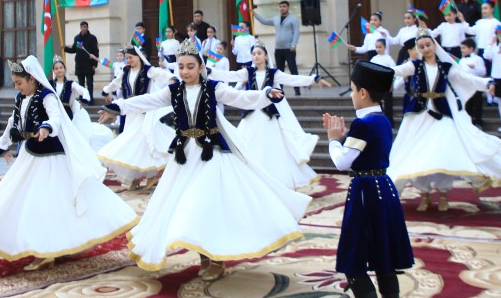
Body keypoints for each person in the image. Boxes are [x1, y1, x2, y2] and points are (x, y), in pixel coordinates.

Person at [98, 39, 310, 280]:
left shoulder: (213, 88)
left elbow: (240, 97)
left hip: (211, 153)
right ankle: (204, 256)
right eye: (181, 67)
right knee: (190, 208)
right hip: (185, 157)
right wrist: (117, 106)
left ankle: (216, 258)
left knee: (207, 204)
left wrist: (265, 94)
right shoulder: (173, 90)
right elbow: (146, 100)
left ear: (200, 67)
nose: (185, 72)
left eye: (190, 66)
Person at [0, 57, 137, 269]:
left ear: (32, 79)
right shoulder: (21, 98)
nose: (17, 87)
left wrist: (46, 127)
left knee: (48, 203)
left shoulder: (47, 96)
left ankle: (47, 251)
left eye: (19, 83)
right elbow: (13, 121)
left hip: (52, 157)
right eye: (15, 83)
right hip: (30, 155)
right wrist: (3, 144)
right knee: (14, 195)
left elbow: (55, 117)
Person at [322, 60, 415, 298]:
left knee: (353, 261)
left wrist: (333, 140)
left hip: (365, 192)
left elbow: (342, 162)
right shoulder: (381, 119)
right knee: (384, 260)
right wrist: (346, 137)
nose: (351, 94)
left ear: (363, 92)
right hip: (383, 188)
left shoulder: (363, 124)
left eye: (352, 89)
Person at [388, 31, 501, 211]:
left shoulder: (446, 67)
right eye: (421, 47)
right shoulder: (415, 66)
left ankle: (443, 194)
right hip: (419, 115)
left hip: (442, 115)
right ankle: (424, 194)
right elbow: (396, 70)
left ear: (434, 45)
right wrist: (373, 71)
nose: (426, 49)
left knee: (443, 154)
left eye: (428, 45)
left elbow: (466, 79)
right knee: (418, 154)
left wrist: (486, 83)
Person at [212, 43, 329, 189]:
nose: (256, 56)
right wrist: (210, 71)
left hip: (268, 116)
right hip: (251, 115)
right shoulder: (248, 72)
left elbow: (292, 79)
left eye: (259, 53)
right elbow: (230, 75)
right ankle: (251, 180)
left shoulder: (274, 73)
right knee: (246, 146)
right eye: (253, 54)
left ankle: (276, 180)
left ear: (266, 56)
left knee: (272, 149)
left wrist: (313, 79)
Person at [98, 47, 173, 188]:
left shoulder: (148, 70)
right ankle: (135, 177)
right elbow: (116, 82)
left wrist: (173, 80)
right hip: (130, 111)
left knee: (142, 143)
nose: (128, 60)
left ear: (138, 57)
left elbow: (164, 75)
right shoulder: (126, 71)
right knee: (132, 145)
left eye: (130, 57)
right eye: (127, 58)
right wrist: (105, 90)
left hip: (145, 112)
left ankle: (150, 175)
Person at [50, 58, 112, 152]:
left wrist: (83, 101)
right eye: (56, 68)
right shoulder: (50, 84)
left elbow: (84, 91)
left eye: (61, 68)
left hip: (67, 113)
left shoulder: (70, 84)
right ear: (54, 71)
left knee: (66, 134)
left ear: (65, 69)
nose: (59, 70)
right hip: (54, 111)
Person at [254, 0, 303, 95]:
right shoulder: (275, 19)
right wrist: (255, 15)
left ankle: (297, 90)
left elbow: (296, 32)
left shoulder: (293, 19)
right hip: (278, 49)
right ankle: (279, 90)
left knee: (293, 69)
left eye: (284, 6)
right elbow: (264, 21)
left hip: (289, 48)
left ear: (288, 7)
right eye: (280, 6)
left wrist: (293, 44)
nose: (282, 8)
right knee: (279, 71)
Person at [63, 21, 100, 94]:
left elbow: (95, 51)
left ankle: (90, 98)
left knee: (89, 83)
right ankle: (82, 97)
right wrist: (65, 48)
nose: (83, 28)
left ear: (87, 27)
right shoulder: (77, 38)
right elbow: (74, 49)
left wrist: (94, 64)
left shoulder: (92, 38)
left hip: (89, 64)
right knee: (81, 84)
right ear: (80, 28)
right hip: (79, 64)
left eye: (85, 27)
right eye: (82, 27)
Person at [457, 39, 487, 127]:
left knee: (477, 104)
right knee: (467, 104)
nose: (461, 50)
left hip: (476, 85)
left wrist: (474, 68)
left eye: (464, 48)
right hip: (465, 86)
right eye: (461, 48)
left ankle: (477, 121)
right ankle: (469, 123)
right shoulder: (461, 60)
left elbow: (483, 72)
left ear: (471, 49)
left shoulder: (478, 59)